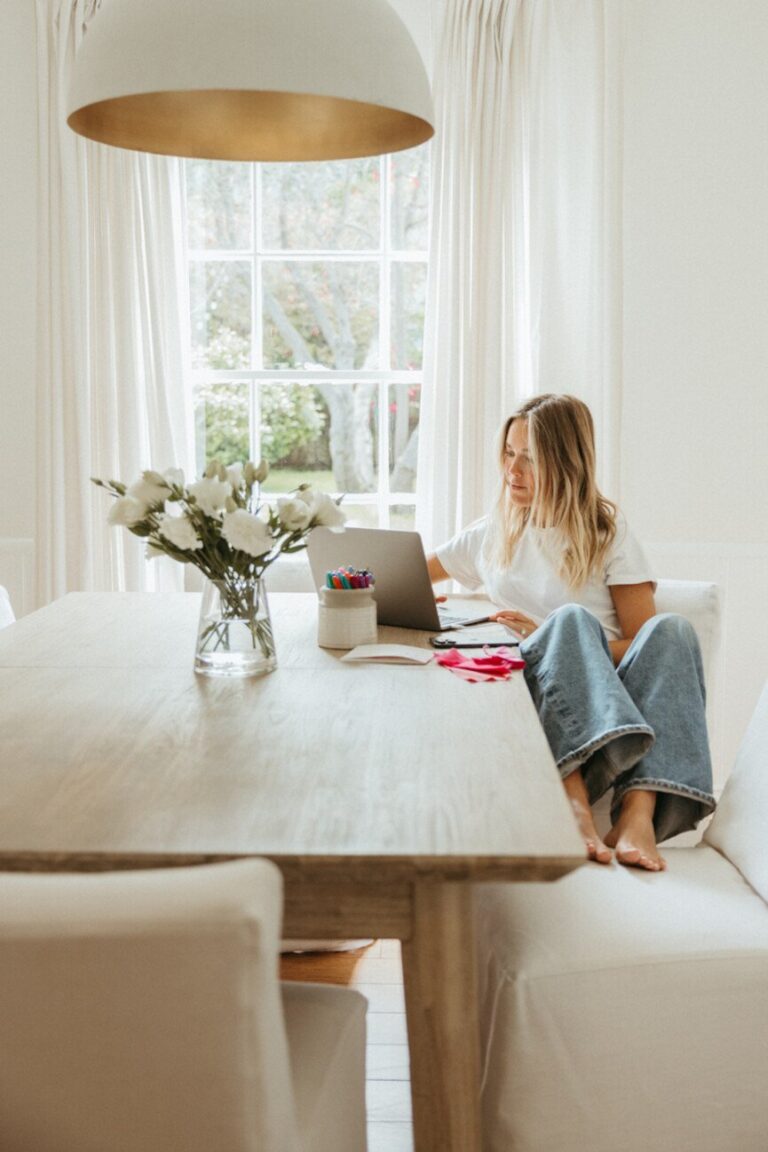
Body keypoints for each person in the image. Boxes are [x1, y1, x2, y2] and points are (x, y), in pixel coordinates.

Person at [427, 393, 715, 872]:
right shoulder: (494, 530)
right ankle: (573, 803)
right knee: (571, 622)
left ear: (566, 461)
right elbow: (415, 575)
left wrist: (561, 637)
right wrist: (423, 602)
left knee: (672, 630)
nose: (512, 471)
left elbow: (644, 645)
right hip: (530, 686)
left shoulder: (605, 530)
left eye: (531, 459)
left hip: (608, 695)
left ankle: (637, 813)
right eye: (510, 453)